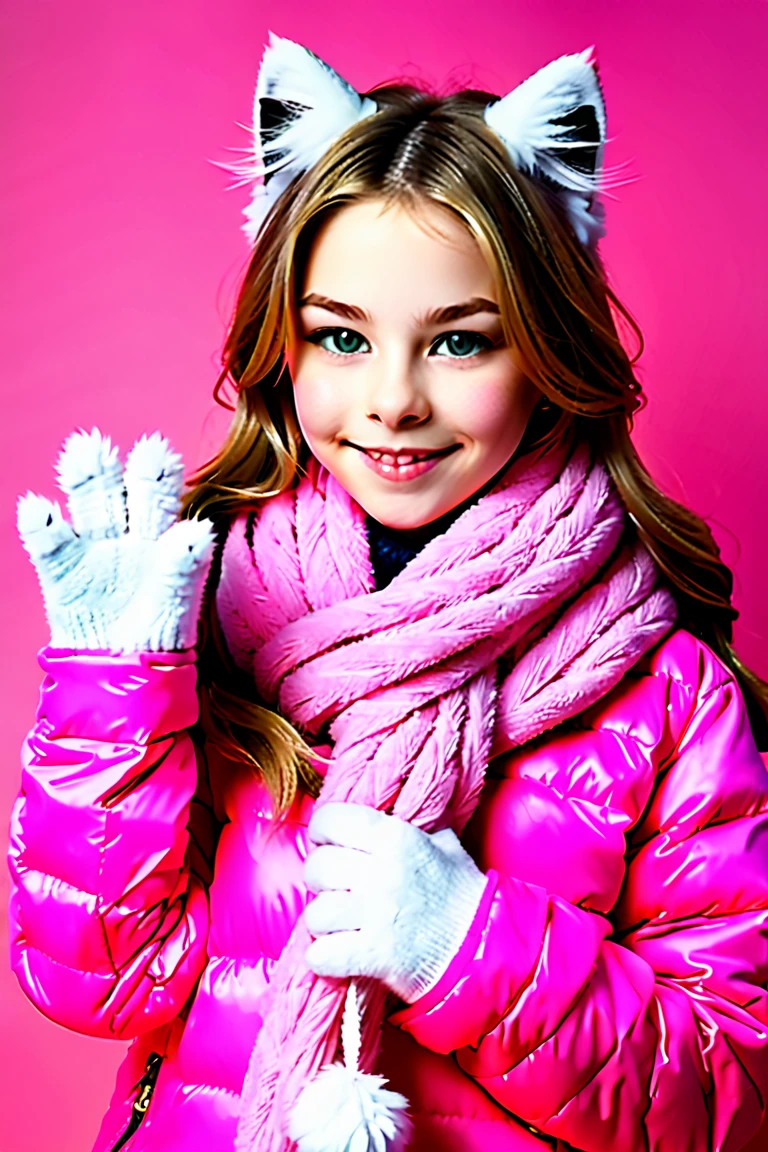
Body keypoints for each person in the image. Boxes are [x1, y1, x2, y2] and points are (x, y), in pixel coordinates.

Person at [8, 32, 768, 1152]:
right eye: (341, 339)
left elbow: (732, 1097)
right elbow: (100, 988)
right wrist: (112, 700)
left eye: (459, 341)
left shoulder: (667, 698)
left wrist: (465, 941)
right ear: (286, 344)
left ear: (549, 348)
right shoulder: (202, 609)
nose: (393, 401)